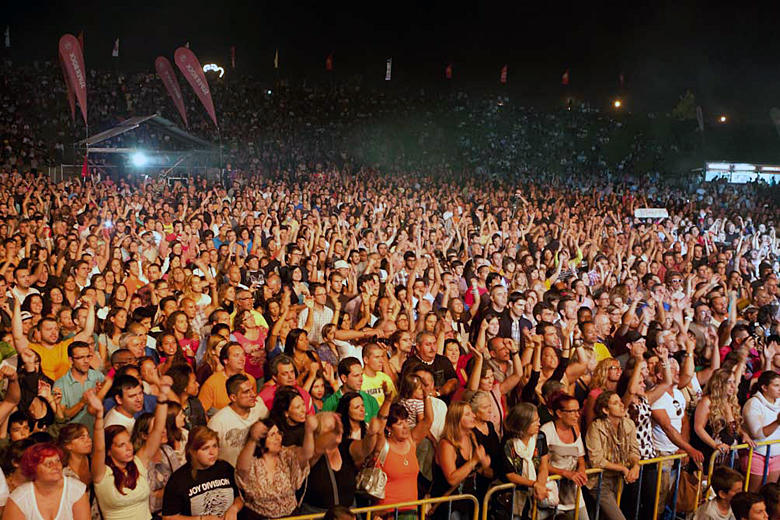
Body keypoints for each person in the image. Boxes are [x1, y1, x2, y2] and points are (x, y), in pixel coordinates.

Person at [88, 377, 170, 520]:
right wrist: (99, 416)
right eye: (121, 445)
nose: (129, 448)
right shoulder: (102, 473)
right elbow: (99, 448)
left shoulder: (138, 463)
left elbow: (157, 430)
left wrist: (163, 397)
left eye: (129, 442)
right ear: (109, 450)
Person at [234, 415, 316, 519]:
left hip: (290, 516)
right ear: (261, 440)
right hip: (259, 517)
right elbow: (241, 468)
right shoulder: (252, 462)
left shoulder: (286, 455)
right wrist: (253, 439)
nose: (278, 438)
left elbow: (307, 454)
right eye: (272, 435)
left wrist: (309, 432)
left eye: (279, 433)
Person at [161, 426, 243, 520]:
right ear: (192, 451)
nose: (212, 452)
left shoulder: (225, 468)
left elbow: (240, 497)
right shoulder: (178, 479)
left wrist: (234, 508)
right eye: (205, 448)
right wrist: (201, 519)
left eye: (214, 446)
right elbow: (168, 517)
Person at [431, 401, 492, 520]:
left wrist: (484, 465)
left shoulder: (472, 437)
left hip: (469, 502)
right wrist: (474, 461)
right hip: (449, 507)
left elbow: (476, 471)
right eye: (468, 414)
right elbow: (452, 479)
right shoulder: (446, 444)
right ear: (457, 419)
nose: (474, 416)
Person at [585, 391, 641, 520]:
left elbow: (634, 450)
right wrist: (623, 468)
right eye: (615, 403)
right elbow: (596, 460)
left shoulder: (628, 424)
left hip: (618, 481)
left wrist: (636, 466)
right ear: (605, 410)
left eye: (621, 401)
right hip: (599, 481)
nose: (622, 405)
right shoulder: (596, 427)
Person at [3, 442, 89, 520]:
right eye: (48, 464)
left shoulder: (77, 490)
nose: (56, 466)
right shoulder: (19, 499)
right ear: (33, 468)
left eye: (57, 461)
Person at [541, 393, 588, 520]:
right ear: (559, 413)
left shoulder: (575, 429)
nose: (577, 415)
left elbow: (581, 457)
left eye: (578, 411)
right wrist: (565, 473)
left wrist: (581, 470)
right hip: (553, 494)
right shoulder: (547, 431)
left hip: (574, 493)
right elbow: (540, 464)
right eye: (572, 411)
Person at [499, 403, 551, 517]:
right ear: (523, 424)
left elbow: (543, 466)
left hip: (535, 495)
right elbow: (510, 474)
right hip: (513, 497)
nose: (539, 424)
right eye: (535, 421)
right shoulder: (508, 442)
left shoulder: (541, 437)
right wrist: (533, 484)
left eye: (538, 420)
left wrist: (540, 486)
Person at [207, 374, 269, 466]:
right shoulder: (218, 422)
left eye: (252, 389)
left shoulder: (260, 409)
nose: (253, 394)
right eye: (246, 392)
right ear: (233, 397)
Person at [54, 341, 105, 433]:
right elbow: (63, 416)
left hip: (97, 432)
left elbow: (111, 375)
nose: (86, 361)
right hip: (74, 435)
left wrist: (101, 393)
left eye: (88, 356)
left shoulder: (99, 376)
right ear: (71, 360)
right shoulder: (60, 384)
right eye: (81, 357)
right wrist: (82, 402)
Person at [742, 371, 780, 491]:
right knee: (753, 494)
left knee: (768, 493)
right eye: (776, 385)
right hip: (757, 454)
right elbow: (757, 434)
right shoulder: (753, 404)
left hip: (776, 455)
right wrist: (777, 422)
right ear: (764, 387)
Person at [198, 342, 257, 415]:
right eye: (236, 355)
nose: (242, 359)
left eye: (243, 355)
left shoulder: (250, 380)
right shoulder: (211, 383)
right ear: (225, 360)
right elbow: (201, 412)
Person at [322, 357, 379, 422]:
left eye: (361, 375)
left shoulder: (370, 400)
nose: (361, 379)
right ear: (344, 378)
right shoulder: (330, 404)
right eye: (356, 375)